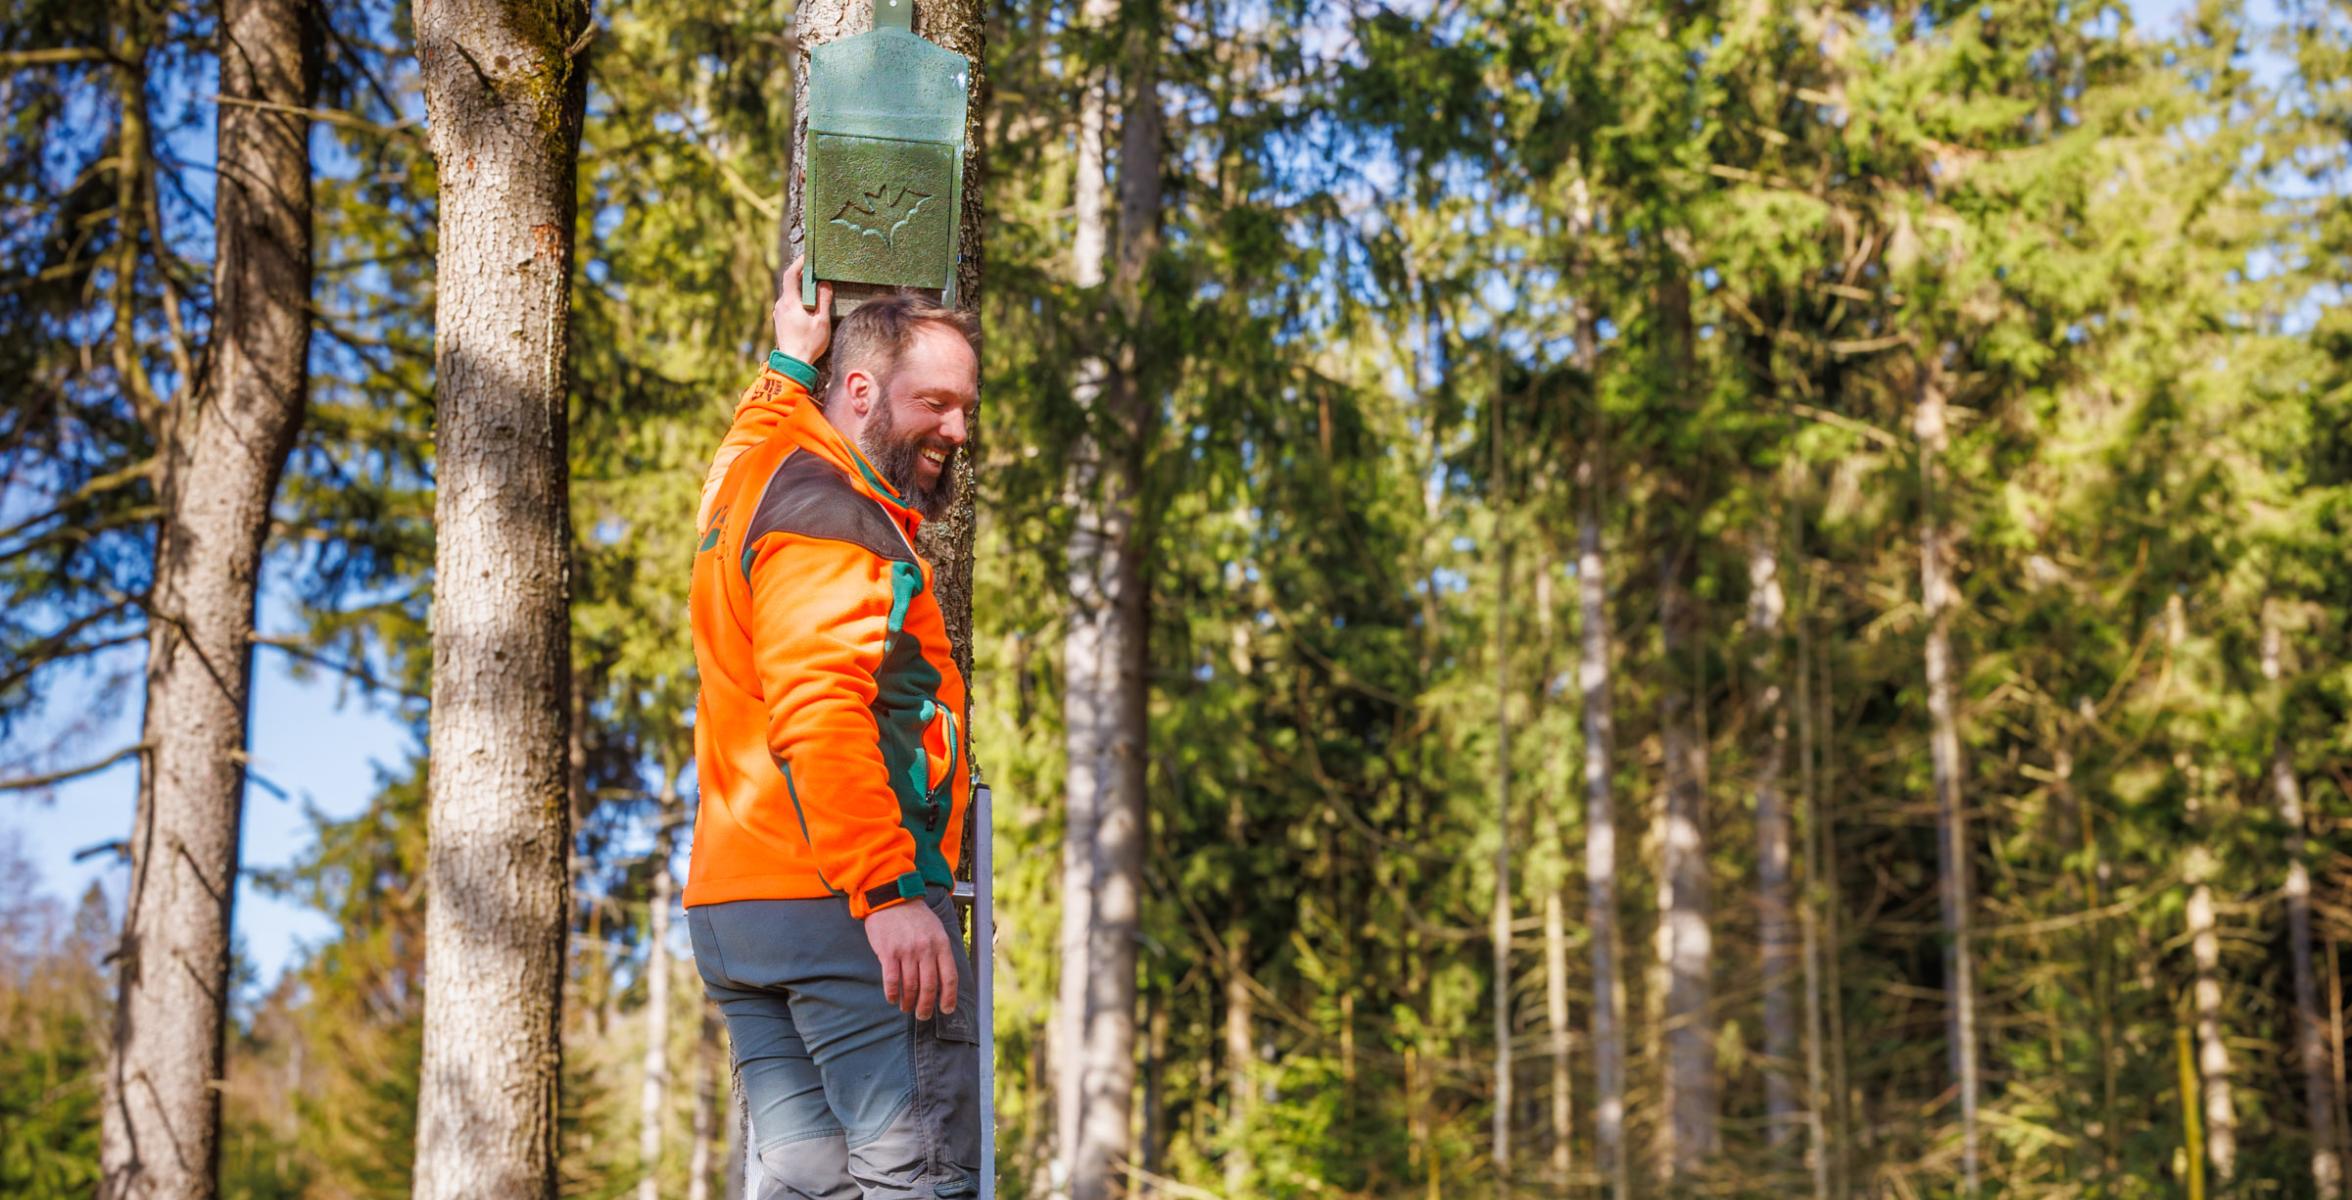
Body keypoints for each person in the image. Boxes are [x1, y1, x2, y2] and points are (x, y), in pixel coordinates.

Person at [684, 257, 981, 1199]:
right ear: (861, 392)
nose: (957, 430)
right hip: (842, 909)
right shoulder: (830, 517)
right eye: (935, 403)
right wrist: (888, 890)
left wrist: (786, 362)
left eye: (965, 407)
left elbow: (739, 445)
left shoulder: (759, 479)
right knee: (915, 1178)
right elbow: (819, 708)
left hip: (743, 910)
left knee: (807, 1187)